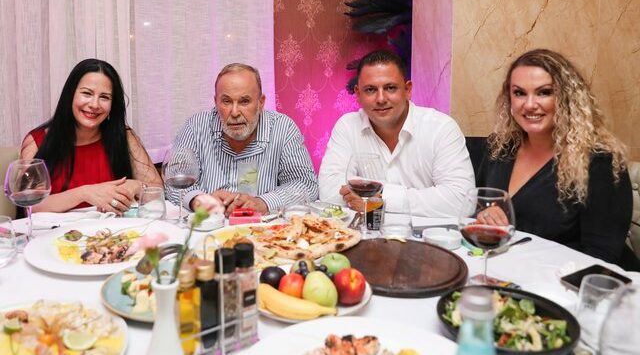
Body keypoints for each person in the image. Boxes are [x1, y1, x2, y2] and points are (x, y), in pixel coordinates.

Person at [476, 48, 639, 269]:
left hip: (579, 282)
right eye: (519, 93)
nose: (529, 104)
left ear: (566, 98)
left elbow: (601, 255)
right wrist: (485, 214)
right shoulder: (500, 148)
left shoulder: (600, 162)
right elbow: (477, 206)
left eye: (544, 92)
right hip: (513, 271)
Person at [318, 50, 475, 218]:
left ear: (407, 90)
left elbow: (463, 201)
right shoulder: (347, 126)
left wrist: (382, 197)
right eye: (370, 89)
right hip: (363, 233)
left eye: (390, 88)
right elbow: (329, 192)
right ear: (358, 94)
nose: (381, 99)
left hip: (426, 235)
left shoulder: (441, 128)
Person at [167, 63, 318, 215]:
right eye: (226, 101)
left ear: (260, 102)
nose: (234, 112)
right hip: (209, 223)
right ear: (216, 102)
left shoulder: (283, 128)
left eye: (244, 101)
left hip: (263, 227)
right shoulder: (196, 126)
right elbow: (174, 180)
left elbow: (305, 185)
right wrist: (198, 200)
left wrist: (263, 203)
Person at [20, 58, 162, 215]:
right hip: (58, 231)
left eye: (104, 97)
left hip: (113, 229)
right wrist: (85, 193)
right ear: (70, 95)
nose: (95, 105)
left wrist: (136, 186)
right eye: (87, 93)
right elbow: (29, 205)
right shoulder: (37, 141)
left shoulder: (125, 136)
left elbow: (158, 191)